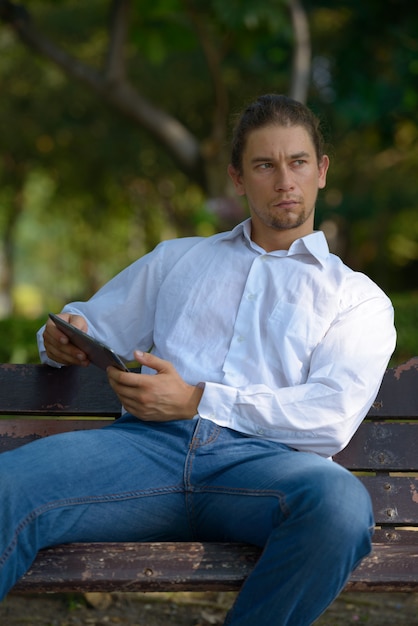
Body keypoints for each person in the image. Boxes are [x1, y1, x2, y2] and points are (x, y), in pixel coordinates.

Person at [0, 94, 396, 625]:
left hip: (264, 470)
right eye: (265, 165)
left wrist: (196, 399)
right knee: (7, 484)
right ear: (238, 178)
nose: (285, 180)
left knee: (341, 508)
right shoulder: (179, 259)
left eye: (298, 162)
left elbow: (330, 415)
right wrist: (64, 337)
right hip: (143, 452)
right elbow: (89, 322)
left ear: (321, 171)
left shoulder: (356, 297)